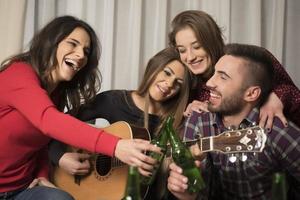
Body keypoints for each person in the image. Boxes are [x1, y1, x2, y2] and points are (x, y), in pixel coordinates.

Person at [0, 16, 161, 200]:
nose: (81, 55)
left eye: (86, 51)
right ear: (51, 42)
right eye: (72, 44)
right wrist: (115, 146)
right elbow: (50, 121)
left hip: (22, 189)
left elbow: (40, 144)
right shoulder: (18, 74)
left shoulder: (55, 93)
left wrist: (42, 175)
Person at [48, 47, 191, 200]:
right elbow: (57, 126)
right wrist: (60, 157)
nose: (169, 84)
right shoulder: (113, 101)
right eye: (167, 72)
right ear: (153, 67)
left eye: (178, 83)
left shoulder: (174, 124)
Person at [167, 43, 300, 200]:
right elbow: (196, 191)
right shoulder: (198, 119)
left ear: (251, 94)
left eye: (223, 77)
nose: (209, 83)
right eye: (214, 73)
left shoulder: (276, 131)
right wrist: (187, 195)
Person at [168, 10, 300, 129]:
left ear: (212, 41)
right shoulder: (188, 84)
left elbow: (295, 96)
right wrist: (190, 111)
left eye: (197, 47)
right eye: (182, 50)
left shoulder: (251, 59)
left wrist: (277, 97)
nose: (190, 57)